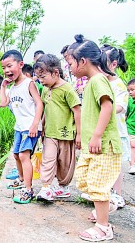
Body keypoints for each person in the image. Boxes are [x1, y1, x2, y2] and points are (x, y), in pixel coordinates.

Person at [67, 34, 122, 242]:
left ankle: (103, 227)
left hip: (104, 144)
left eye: (70, 63)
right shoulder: (91, 81)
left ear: (82, 61)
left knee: (98, 185)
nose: (70, 68)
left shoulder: (99, 80)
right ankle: (107, 205)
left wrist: (97, 135)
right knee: (84, 179)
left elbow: (107, 106)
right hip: (93, 144)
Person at [33, 54, 81, 201]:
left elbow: (77, 111)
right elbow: (45, 110)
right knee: (48, 159)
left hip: (66, 133)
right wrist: (41, 126)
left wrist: (79, 134)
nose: (41, 81)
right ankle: (46, 187)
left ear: (55, 73)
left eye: (43, 77)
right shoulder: (45, 90)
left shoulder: (67, 89)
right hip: (50, 133)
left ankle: (63, 186)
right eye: (38, 78)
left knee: (65, 163)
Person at [0, 50, 43, 204]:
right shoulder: (13, 88)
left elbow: (39, 103)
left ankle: (28, 189)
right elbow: (4, 103)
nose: (6, 71)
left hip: (30, 127)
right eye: (4, 68)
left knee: (24, 156)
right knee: (17, 155)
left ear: (21, 64)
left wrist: (35, 124)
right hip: (19, 127)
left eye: (9, 66)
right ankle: (22, 178)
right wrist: (3, 87)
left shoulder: (29, 83)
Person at [98, 44, 130, 208]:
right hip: (103, 132)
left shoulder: (118, 85)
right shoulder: (100, 82)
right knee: (104, 163)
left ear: (113, 64)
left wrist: (104, 109)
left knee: (116, 166)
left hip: (116, 132)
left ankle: (117, 195)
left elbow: (121, 107)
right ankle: (104, 193)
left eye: (102, 65)